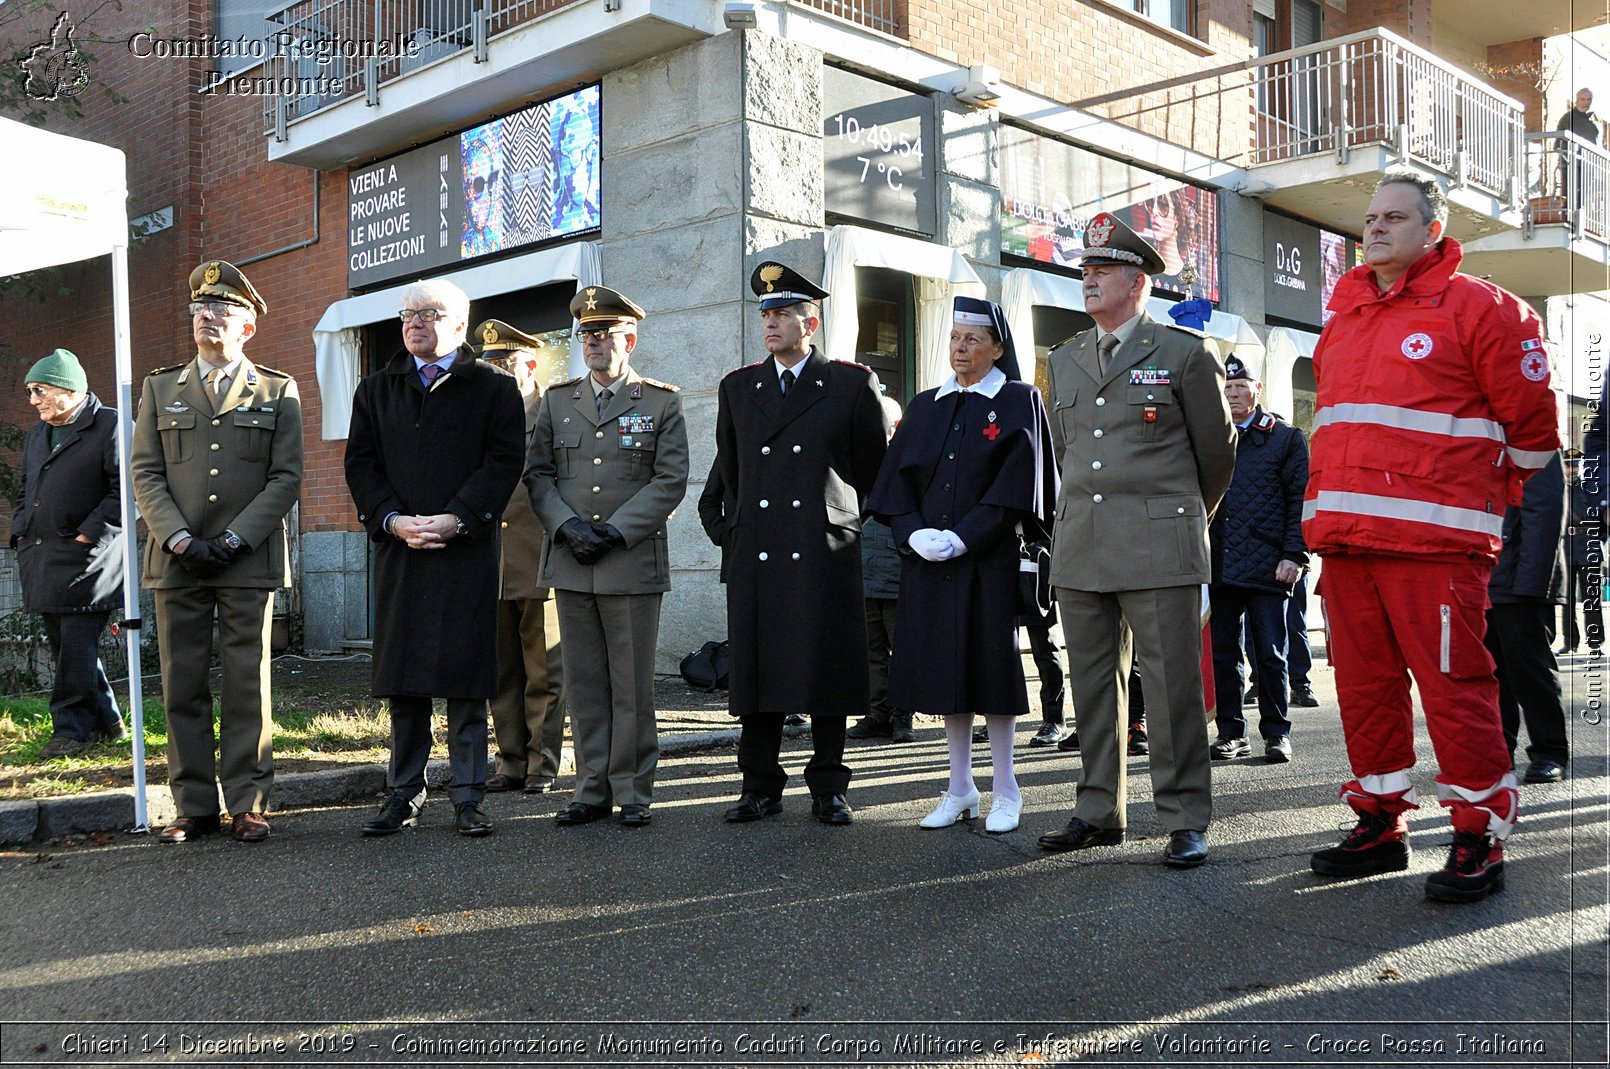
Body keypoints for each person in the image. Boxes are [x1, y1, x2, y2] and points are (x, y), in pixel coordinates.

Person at [1304, 173, 1561, 903]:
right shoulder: (1345, 313)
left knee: (1456, 692)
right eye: (1370, 217)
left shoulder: (1482, 307)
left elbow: (1535, 433)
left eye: (1394, 217)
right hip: (1349, 544)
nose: (1375, 228)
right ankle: (1380, 821)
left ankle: (1478, 832)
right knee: (1364, 689)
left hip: (1436, 548)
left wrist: (1484, 500)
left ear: (1433, 228)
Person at [1035, 212, 1236, 868]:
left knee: (1173, 685)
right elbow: (1069, 454)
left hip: (1159, 545)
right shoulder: (1063, 361)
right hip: (1083, 546)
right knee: (1093, 685)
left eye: (1101, 271)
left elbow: (1218, 453)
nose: (1088, 281)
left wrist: (1181, 518)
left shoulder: (1182, 354)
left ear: (1138, 281)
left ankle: (1184, 815)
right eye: (1086, 271)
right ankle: (1099, 809)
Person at [344, 279, 525, 838]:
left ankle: (469, 794)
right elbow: (360, 465)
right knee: (405, 679)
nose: (414, 323)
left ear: (458, 324)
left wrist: (458, 517)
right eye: (407, 314)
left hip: (464, 548)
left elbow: (504, 460)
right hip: (402, 549)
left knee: (467, 680)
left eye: (428, 313)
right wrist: (393, 520)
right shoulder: (377, 388)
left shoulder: (493, 387)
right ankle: (404, 791)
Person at [130, 260, 303, 844]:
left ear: (248, 327)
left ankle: (249, 800)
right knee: (181, 684)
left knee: (245, 682)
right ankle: (193, 806)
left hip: (245, 560)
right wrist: (177, 537)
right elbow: (145, 472)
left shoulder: (279, 390)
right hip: (176, 558)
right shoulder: (159, 388)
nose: (209, 318)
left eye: (224, 311)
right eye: (201, 310)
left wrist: (234, 538)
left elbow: (285, 477)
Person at [870, 296, 1057, 834]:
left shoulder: (1020, 400)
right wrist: (915, 533)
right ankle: (959, 787)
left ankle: (1007, 789)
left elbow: (1021, 485)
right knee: (944, 673)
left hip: (989, 562)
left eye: (973, 339)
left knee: (991, 673)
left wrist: (963, 537)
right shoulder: (926, 404)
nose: (960, 347)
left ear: (998, 347)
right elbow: (894, 484)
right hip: (928, 562)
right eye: (954, 337)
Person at [716, 261, 888, 826]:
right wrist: (734, 534)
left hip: (822, 548)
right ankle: (759, 784)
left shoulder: (848, 383)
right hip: (759, 549)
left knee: (827, 671)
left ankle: (829, 787)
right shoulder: (739, 387)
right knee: (758, 671)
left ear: (809, 323)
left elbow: (870, 471)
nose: (771, 322)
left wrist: (843, 521)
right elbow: (732, 473)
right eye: (766, 313)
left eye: (784, 313)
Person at [526, 286, 689, 829]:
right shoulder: (556, 400)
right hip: (572, 559)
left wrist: (616, 532)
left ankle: (633, 789)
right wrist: (567, 525)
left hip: (630, 560)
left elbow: (669, 481)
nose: (594, 343)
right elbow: (539, 474)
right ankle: (590, 788)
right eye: (587, 335)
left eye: (605, 334)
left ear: (630, 340)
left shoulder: (661, 401)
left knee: (633, 683)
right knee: (586, 682)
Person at [12, 349, 127, 758]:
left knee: (76, 645)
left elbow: (125, 490)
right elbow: (27, 488)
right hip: (41, 556)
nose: (33, 400)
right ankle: (109, 719)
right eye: (29, 391)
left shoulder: (110, 423)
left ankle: (70, 730)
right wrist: (19, 530)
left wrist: (87, 535)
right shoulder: (38, 434)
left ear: (68, 387)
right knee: (65, 646)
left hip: (89, 560)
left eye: (39, 390)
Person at [476, 320, 567, 795]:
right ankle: (510, 761)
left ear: (530, 365)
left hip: (541, 558)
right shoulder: (480, 420)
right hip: (491, 564)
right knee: (501, 671)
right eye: (488, 364)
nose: (495, 373)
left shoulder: (554, 413)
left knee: (544, 670)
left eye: (505, 364)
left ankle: (542, 764)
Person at [1207, 354, 1309, 765]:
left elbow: (1300, 499)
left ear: (1257, 390)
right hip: (1218, 565)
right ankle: (1231, 732)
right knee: (1222, 653)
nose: (1233, 394)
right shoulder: (1211, 437)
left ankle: (1277, 733)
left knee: (1270, 652)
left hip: (1270, 563)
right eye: (1227, 388)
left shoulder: (1285, 438)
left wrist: (1294, 554)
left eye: (1240, 387)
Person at [1486, 452, 1570, 785]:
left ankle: (1550, 751)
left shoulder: (1534, 440)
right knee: (1489, 672)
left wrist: (1532, 583)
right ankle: (1498, 751)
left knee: (1529, 667)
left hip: (1522, 580)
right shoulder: (1478, 433)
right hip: (1483, 575)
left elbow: (1545, 515)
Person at [849, 396, 915, 745]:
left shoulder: (906, 458)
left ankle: (902, 714)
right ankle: (877, 714)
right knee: (872, 649)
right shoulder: (857, 455)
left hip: (896, 567)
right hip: (863, 566)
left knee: (900, 647)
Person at [1562, 451, 1604, 652]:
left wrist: (1598, 539)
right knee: (1567, 601)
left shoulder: (1591, 489)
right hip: (1566, 548)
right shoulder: (1558, 488)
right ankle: (1570, 643)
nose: (1572, 470)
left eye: (1575, 466)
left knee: (1592, 599)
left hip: (1589, 546)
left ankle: (1595, 643)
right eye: (1568, 466)